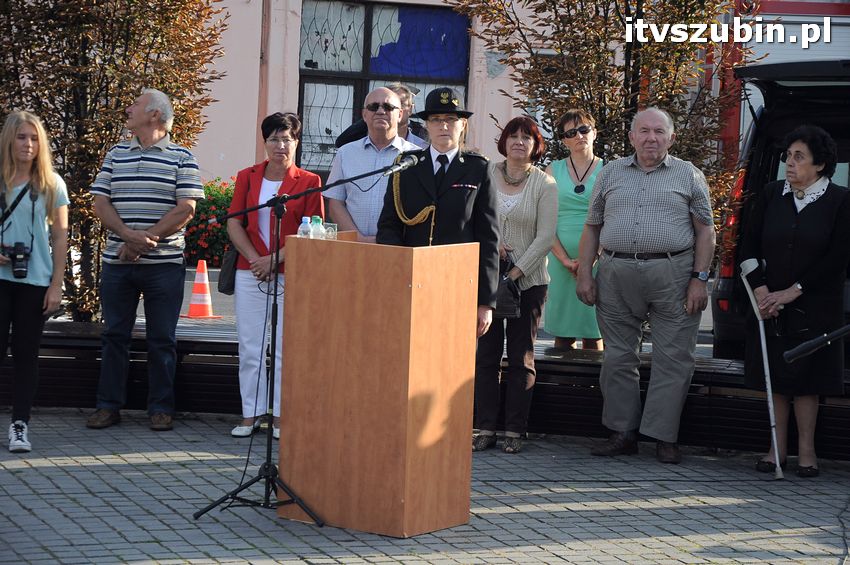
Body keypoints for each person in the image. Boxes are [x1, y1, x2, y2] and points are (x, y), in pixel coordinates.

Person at [576, 107, 715, 464]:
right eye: (644, 131)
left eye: (659, 132)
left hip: (674, 273)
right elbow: (592, 226)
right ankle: (623, 432)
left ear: (671, 138)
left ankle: (663, 436)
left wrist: (699, 279)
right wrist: (584, 273)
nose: (651, 138)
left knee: (675, 358)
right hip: (616, 272)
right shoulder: (610, 173)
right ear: (632, 137)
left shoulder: (689, 175)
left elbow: (706, 231)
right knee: (618, 357)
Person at [87, 88, 204, 432]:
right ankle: (108, 407)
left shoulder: (183, 157)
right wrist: (128, 235)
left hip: (164, 265)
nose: (127, 108)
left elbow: (186, 208)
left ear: (154, 114)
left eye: (135, 104)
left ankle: (161, 408)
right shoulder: (116, 154)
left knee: (162, 338)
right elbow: (99, 202)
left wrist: (139, 243)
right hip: (117, 262)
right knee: (113, 336)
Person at [740, 125, 850, 478]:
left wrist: (792, 291)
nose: (789, 162)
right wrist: (760, 290)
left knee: (808, 379)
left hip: (816, 305)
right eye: (788, 155)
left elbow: (838, 259)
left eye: (798, 156)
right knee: (775, 375)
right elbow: (748, 245)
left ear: (820, 165)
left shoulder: (840, 201)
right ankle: (776, 448)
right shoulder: (772, 194)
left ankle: (807, 451)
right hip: (768, 304)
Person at [226, 112, 323, 439]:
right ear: (264, 142)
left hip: (290, 273)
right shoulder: (247, 177)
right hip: (249, 271)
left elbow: (314, 231)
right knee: (251, 346)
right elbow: (234, 223)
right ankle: (250, 415)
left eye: (287, 139)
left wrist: (275, 260)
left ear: (296, 142)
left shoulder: (309, 181)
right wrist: (256, 260)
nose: (280, 146)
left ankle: (281, 416)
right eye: (274, 139)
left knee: (285, 348)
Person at [376, 87, 499, 339]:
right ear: (427, 126)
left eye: (451, 119)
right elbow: (389, 226)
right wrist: (398, 271)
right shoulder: (406, 166)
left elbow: (489, 239)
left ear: (462, 125)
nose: (444, 126)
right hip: (412, 282)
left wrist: (485, 302)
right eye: (436, 120)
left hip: (459, 284)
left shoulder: (478, 169)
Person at [472, 116, 557, 454]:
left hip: (529, 283)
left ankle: (515, 430)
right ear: (503, 141)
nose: (519, 142)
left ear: (536, 146)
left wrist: (516, 272)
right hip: (488, 280)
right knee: (486, 355)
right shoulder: (486, 174)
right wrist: (493, 251)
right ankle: (484, 426)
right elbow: (475, 221)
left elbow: (546, 236)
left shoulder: (544, 184)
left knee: (521, 355)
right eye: (513, 136)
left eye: (527, 138)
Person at [0, 111, 69, 453]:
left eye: (33, 138)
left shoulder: (52, 184)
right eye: (21, 137)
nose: (28, 144)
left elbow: (60, 236)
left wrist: (57, 284)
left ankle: (20, 425)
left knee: (26, 355)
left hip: (35, 281)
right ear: (9, 140)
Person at [325, 87, 420, 242]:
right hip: (354, 248)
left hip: (398, 249)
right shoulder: (346, 153)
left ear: (400, 115)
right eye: (373, 107)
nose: (381, 111)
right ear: (364, 114)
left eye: (388, 107)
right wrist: (358, 239)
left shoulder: (416, 157)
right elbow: (336, 203)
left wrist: (389, 239)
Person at [544, 109, 604, 354]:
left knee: (593, 330)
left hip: (598, 259)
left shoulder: (609, 170)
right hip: (559, 260)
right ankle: (561, 388)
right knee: (563, 331)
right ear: (564, 140)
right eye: (571, 132)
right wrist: (565, 260)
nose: (579, 135)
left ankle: (592, 390)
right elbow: (545, 218)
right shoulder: (551, 170)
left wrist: (591, 259)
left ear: (594, 133)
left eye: (584, 129)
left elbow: (610, 219)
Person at [334, 83, 428, 149]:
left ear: (410, 109)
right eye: (388, 105)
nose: (382, 111)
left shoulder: (422, 136)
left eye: (401, 103)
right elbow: (341, 142)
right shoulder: (362, 136)